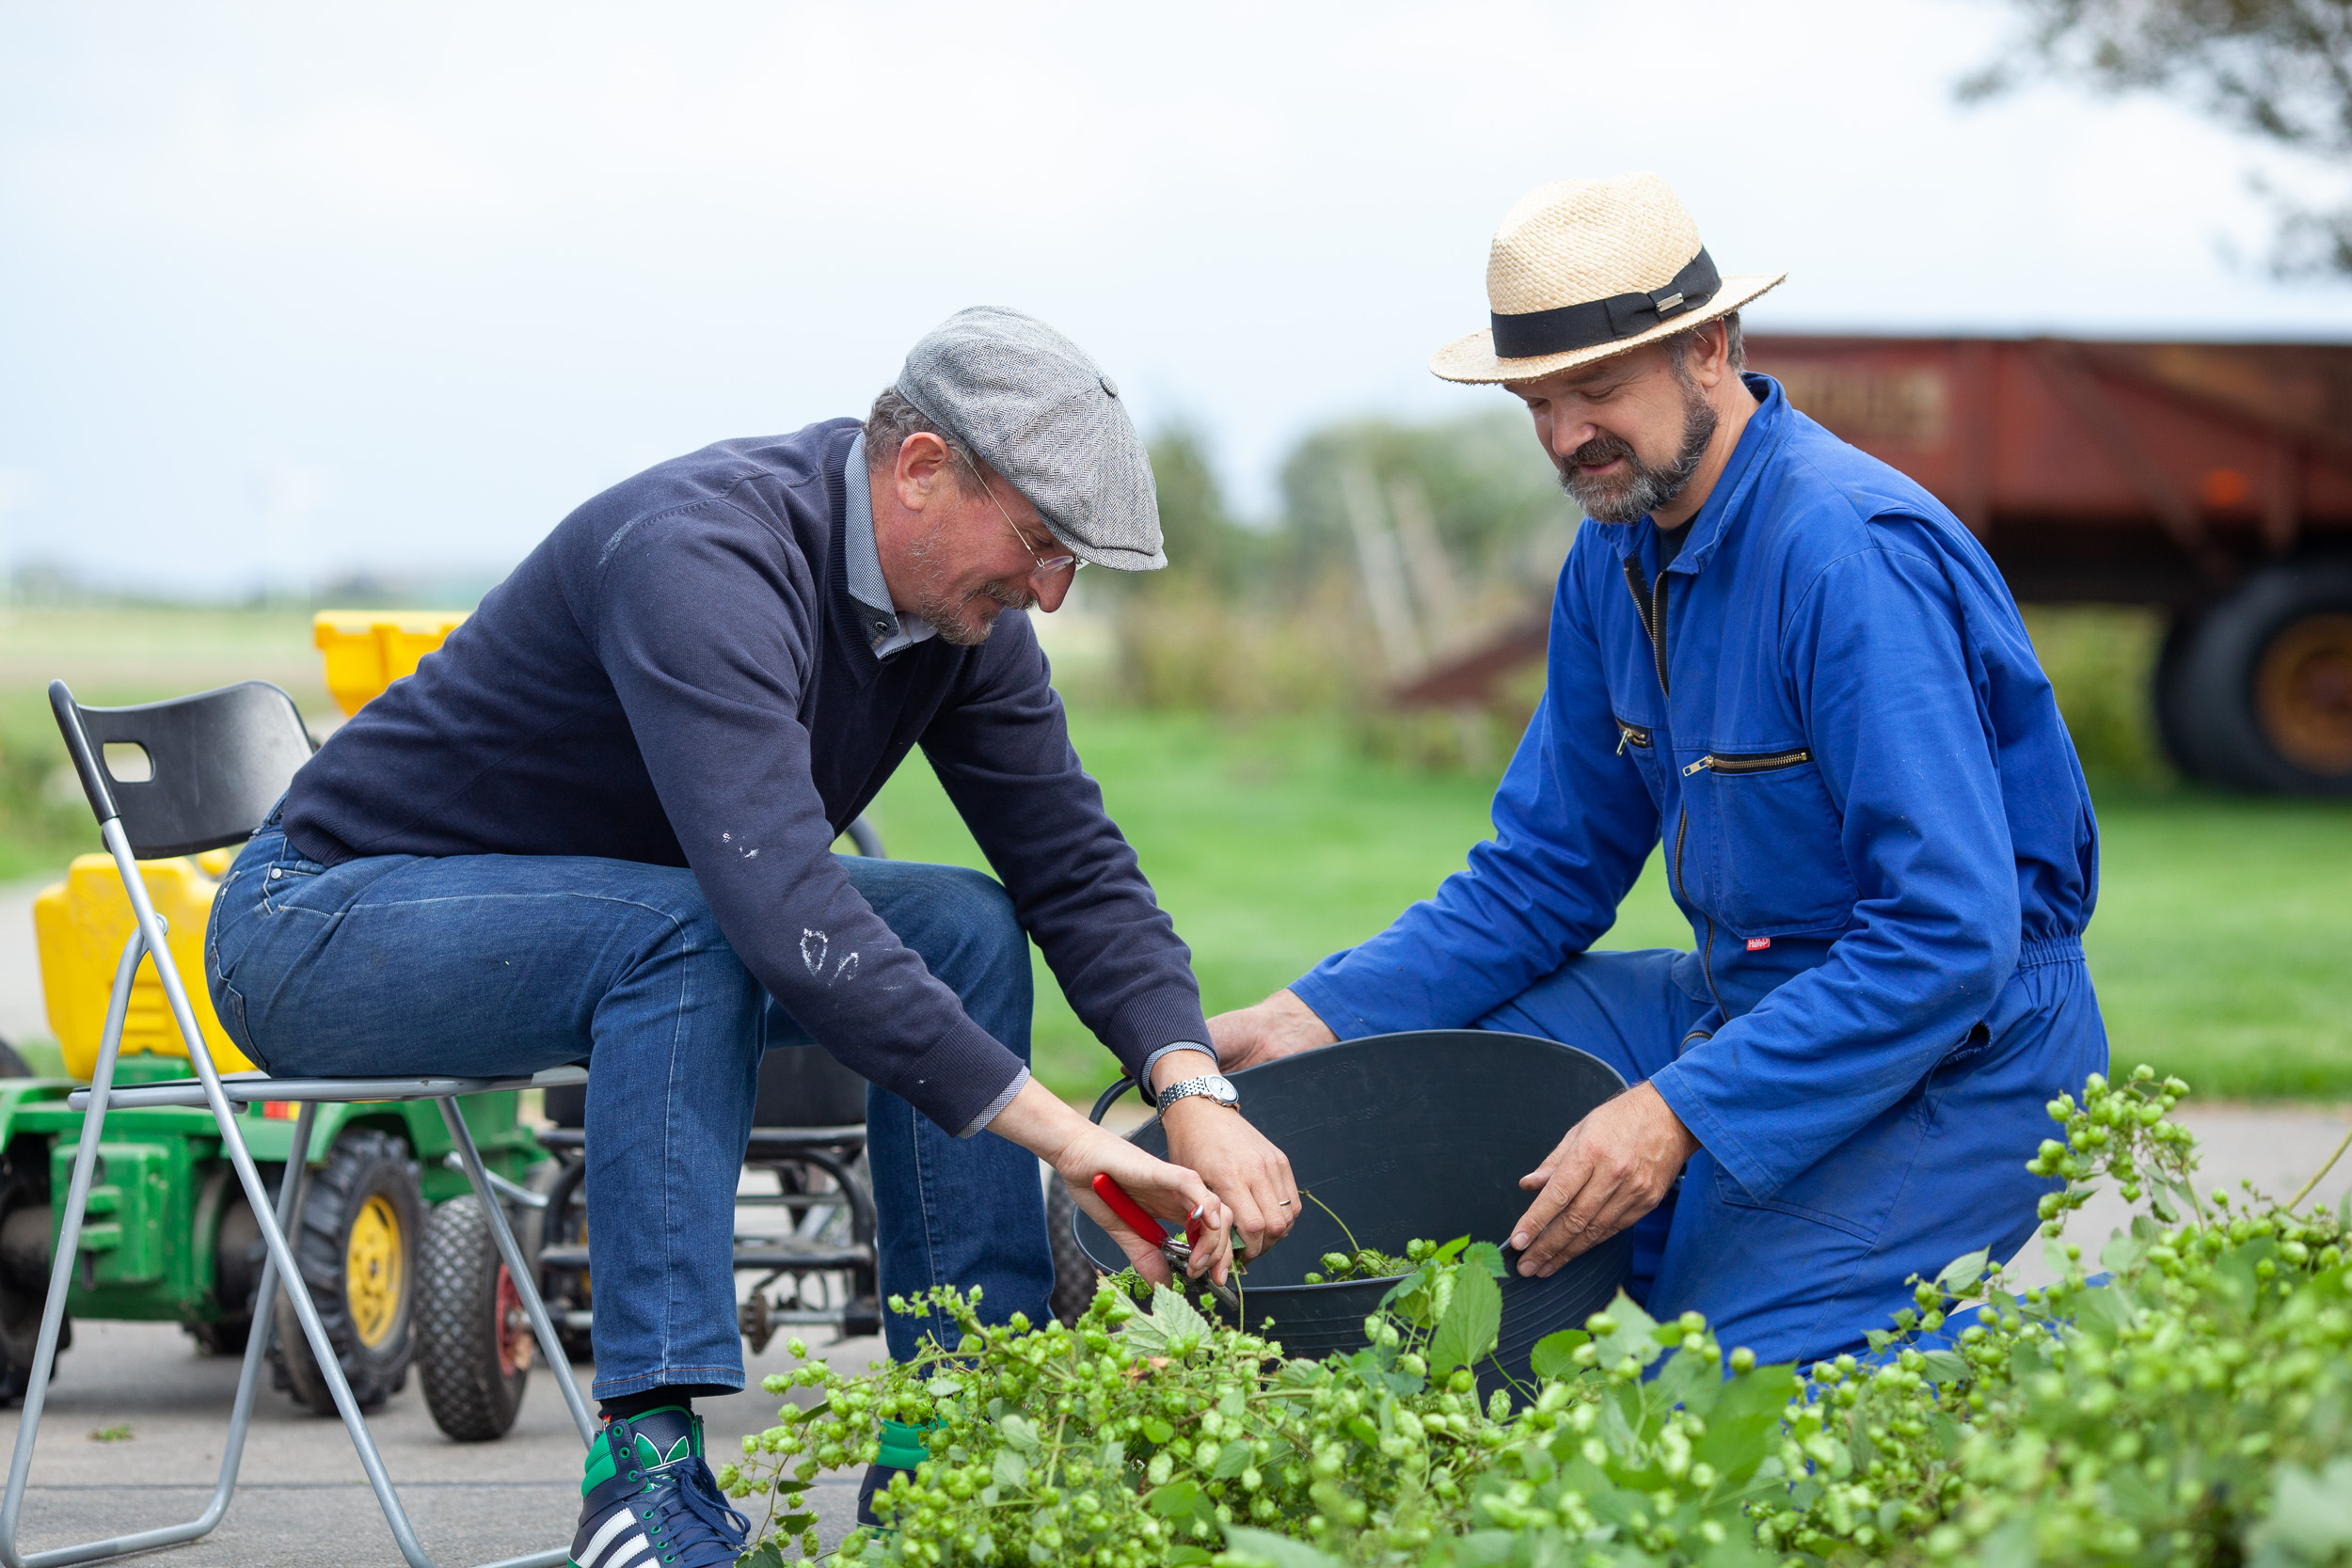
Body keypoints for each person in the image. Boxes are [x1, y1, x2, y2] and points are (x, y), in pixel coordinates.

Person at [206, 308, 1299, 1564]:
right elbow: (777, 904)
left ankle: (966, 1424)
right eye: (1044, 540)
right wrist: (1075, 1144)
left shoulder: (962, 624)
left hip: (607, 921)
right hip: (326, 923)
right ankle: (642, 1472)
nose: (1050, 589)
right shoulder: (703, 556)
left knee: (962, 921)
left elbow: (1074, 863)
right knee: (692, 931)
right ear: (923, 467)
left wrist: (1190, 1082)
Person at [1212, 174, 2106, 1368]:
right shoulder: (1612, 554)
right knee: (1417, 1078)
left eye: (1596, 389)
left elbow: (1947, 935)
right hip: (1741, 999)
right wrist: (1314, 1015)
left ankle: (2058, 1367)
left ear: (1707, 348)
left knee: (1704, 1408)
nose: (1564, 434)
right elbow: (1543, 871)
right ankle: (1511, 1359)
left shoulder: (1846, 557)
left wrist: (1677, 1109)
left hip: (1961, 1044)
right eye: (1535, 401)